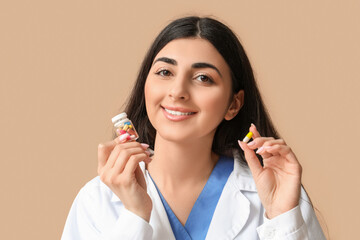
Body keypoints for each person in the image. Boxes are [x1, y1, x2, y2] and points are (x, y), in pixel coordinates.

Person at [61, 16, 326, 239]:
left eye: (203, 78)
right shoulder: (97, 200)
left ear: (234, 104)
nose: (177, 92)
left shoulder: (277, 194)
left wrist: (283, 220)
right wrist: (135, 216)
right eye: (165, 72)